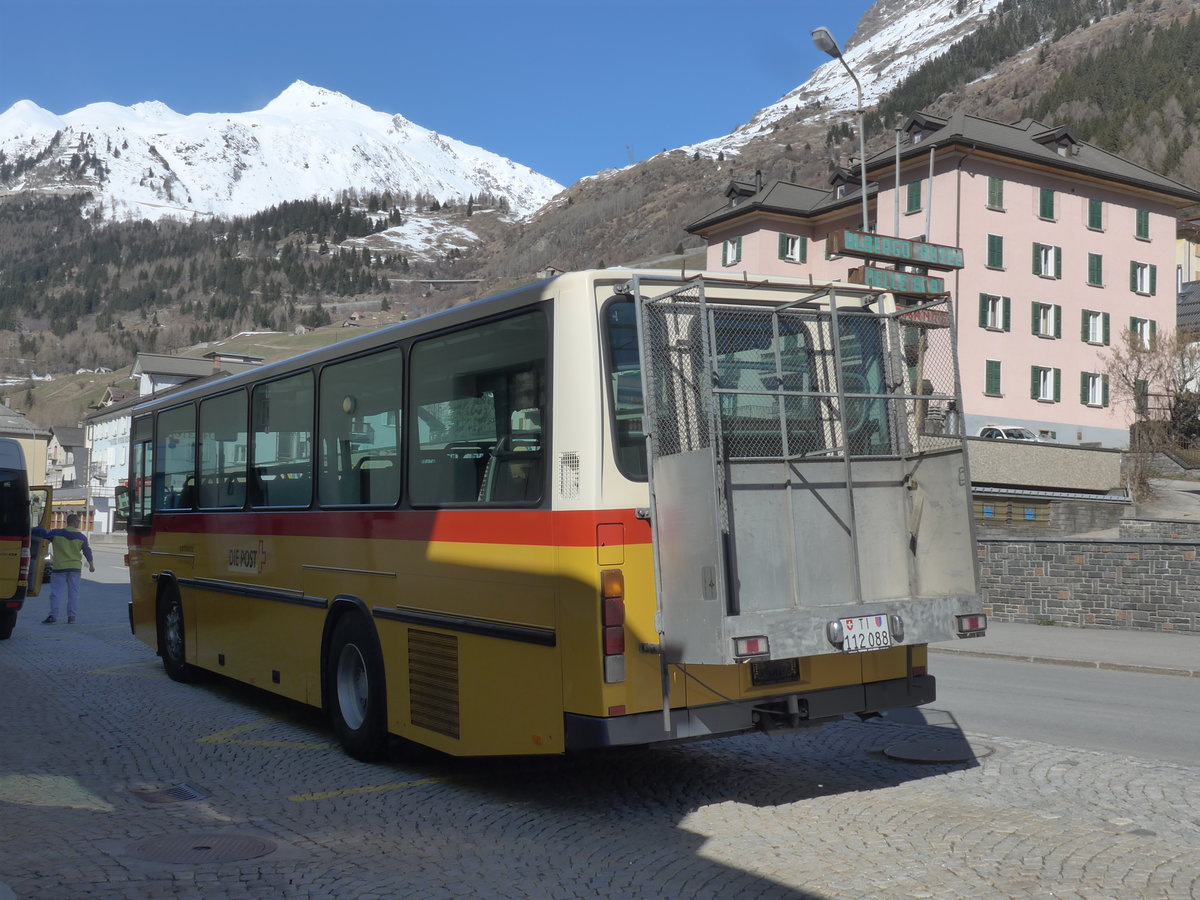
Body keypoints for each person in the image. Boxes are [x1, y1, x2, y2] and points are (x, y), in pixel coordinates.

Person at [37, 513, 95, 624]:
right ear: (74, 522)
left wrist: (30, 528)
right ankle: (72, 617)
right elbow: (87, 551)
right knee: (73, 593)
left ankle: (53, 616)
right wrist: (91, 565)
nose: (79, 523)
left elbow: (42, 533)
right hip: (74, 569)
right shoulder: (81, 537)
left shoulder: (56, 533)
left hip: (59, 568)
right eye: (78, 521)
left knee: (56, 593)